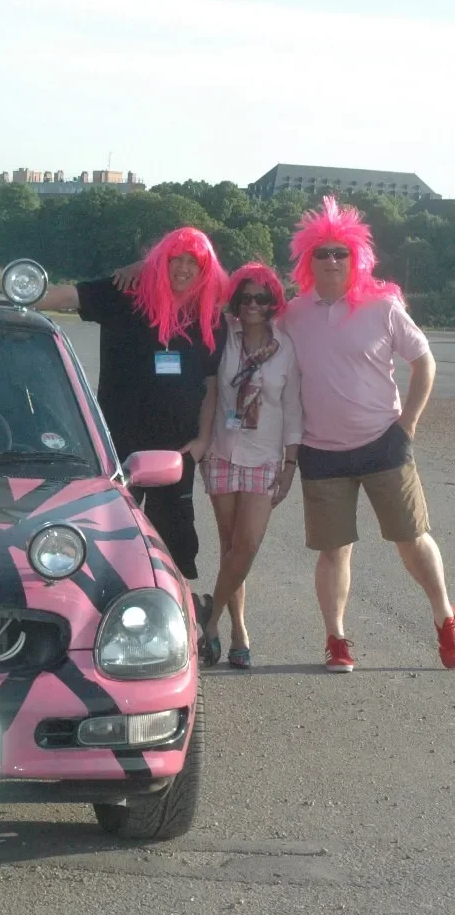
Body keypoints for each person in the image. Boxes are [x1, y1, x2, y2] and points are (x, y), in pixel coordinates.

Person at [282, 196, 454, 671]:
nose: (333, 260)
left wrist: (409, 424)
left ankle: (446, 619)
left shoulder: (383, 307)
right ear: (307, 260)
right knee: (334, 551)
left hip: (384, 442)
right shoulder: (293, 313)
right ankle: (336, 639)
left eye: (342, 252)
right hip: (322, 451)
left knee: (412, 538)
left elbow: (424, 362)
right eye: (323, 252)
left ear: (357, 256)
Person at [36, 227, 228, 581]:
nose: (184, 269)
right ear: (160, 262)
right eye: (176, 260)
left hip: (175, 451)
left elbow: (210, 383)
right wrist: (17, 297)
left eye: (194, 263)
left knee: (174, 545)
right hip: (117, 445)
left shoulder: (209, 320)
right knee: (106, 537)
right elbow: (69, 297)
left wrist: (202, 441)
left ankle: (176, 615)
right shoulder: (127, 296)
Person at [197, 263, 302, 669]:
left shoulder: (285, 346)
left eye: (262, 297)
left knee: (248, 545)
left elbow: (293, 407)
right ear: (235, 301)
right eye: (246, 297)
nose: (253, 304)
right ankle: (239, 630)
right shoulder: (222, 336)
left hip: (265, 455)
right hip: (223, 450)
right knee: (228, 547)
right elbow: (194, 290)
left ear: (274, 301)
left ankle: (211, 617)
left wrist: (290, 464)